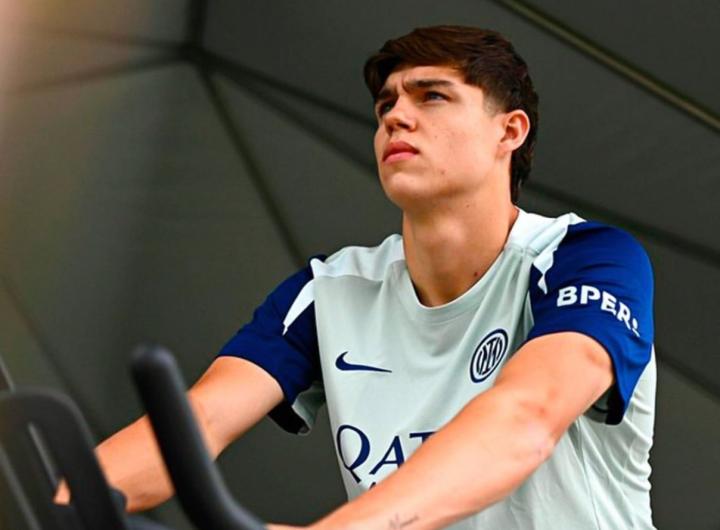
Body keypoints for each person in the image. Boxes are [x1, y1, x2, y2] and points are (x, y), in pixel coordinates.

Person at [59, 25, 656, 529]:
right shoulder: (331, 289)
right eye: (386, 105)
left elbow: (525, 420)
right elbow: (200, 422)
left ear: (510, 131)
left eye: (432, 96)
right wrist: (51, 505)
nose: (397, 116)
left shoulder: (589, 258)